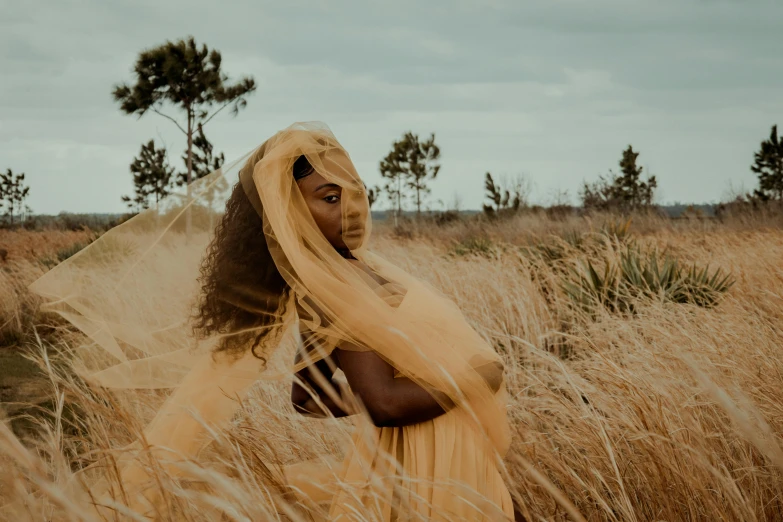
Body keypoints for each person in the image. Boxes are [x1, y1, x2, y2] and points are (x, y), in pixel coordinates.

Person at [29, 122, 515, 521]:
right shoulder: (334, 293)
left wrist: (408, 394)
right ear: (289, 213)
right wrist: (473, 381)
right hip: (426, 460)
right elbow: (386, 405)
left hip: (442, 450)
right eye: (328, 198)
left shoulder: (354, 273)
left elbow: (308, 397)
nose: (349, 208)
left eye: (353, 193)